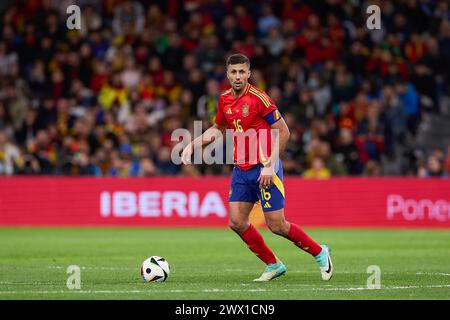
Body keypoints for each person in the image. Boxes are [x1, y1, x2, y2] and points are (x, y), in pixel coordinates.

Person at [181, 53, 333, 281]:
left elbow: (284, 132)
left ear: (249, 73)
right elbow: (218, 128)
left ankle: (320, 252)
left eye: (242, 72)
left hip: (264, 168)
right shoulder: (224, 99)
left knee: (277, 225)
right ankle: (273, 264)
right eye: (234, 72)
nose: (238, 76)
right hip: (241, 169)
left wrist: (270, 166)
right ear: (227, 75)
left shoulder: (259, 99)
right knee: (237, 222)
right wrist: (191, 145)